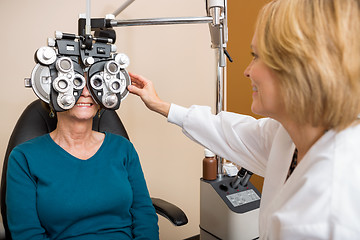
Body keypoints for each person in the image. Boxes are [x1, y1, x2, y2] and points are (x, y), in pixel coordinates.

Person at [128, 0, 360, 239]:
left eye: (256, 56)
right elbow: (232, 132)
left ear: (300, 67)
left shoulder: (324, 211)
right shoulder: (292, 135)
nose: (247, 71)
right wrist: (162, 105)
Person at [6, 85, 159, 239]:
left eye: (93, 84)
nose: (86, 92)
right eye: (75, 83)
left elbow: (144, 214)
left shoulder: (123, 148)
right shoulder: (23, 157)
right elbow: (27, 234)